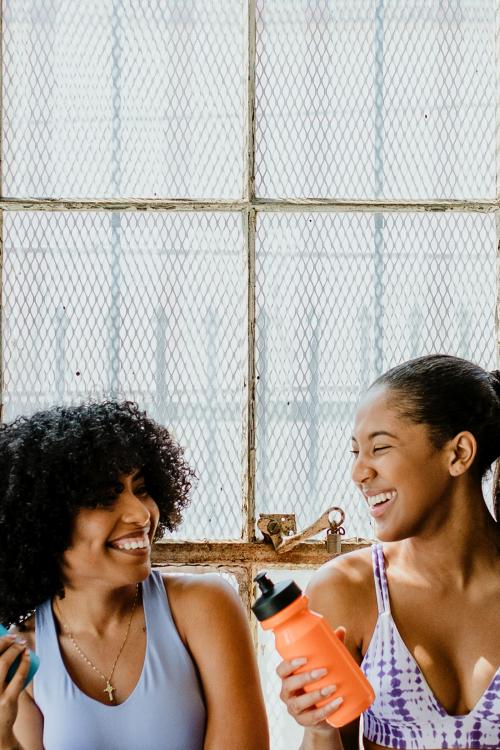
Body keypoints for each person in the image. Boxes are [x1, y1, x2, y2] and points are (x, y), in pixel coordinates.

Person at [0, 401, 269, 750]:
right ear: (42, 522)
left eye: (140, 489)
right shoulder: (25, 657)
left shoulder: (203, 608)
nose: (141, 514)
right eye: (105, 497)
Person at [277, 354, 500, 750]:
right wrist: (320, 728)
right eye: (355, 452)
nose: (359, 472)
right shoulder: (348, 589)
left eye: (379, 448)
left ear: (459, 454)